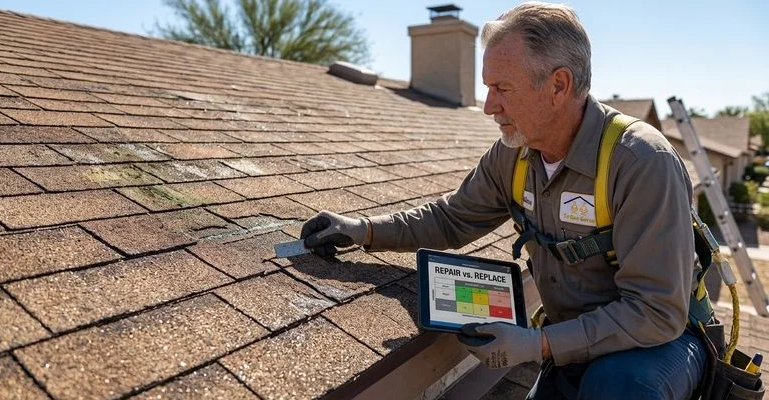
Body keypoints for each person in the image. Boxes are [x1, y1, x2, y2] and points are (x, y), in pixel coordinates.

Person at [300, 2, 707, 399]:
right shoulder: (514, 153)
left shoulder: (639, 162)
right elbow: (451, 218)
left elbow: (656, 313)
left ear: (558, 86)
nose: (489, 106)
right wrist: (366, 230)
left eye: (502, 88)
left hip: (657, 349)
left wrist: (538, 345)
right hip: (571, 344)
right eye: (487, 88)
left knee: (618, 387)